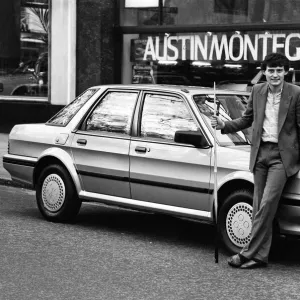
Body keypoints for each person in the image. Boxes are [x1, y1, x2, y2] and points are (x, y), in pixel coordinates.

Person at [211, 52, 300, 269]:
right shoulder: (258, 91)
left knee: (268, 203)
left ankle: (246, 252)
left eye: (279, 70)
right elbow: (247, 119)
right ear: (265, 72)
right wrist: (225, 126)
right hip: (260, 154)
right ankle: (260, 257)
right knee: (259, 205)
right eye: (271, 70)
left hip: (282, 157)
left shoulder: (296, 93)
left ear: (285, 72)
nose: (275, 74)